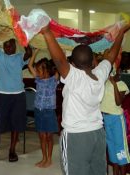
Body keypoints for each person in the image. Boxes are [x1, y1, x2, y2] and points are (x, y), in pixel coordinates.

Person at [40, 22, 130, 175]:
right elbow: (111, 55)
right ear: (92, 61)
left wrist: (48, 33)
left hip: (76, 137)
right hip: (97, 134)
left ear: (73, 64)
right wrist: (121, 33)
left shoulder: (74, 77)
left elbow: (60, 60)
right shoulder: (100, 74)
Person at [0, 25, 32, 161]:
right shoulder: (0, 55)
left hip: (18, 95)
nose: (8, 48)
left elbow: (29, 52)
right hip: (1, 94)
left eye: (10, 45)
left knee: (16, 124)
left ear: (15, 45)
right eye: (6, 46)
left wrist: (22, 35)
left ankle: (12, 150)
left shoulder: (19, 57)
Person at [28, 49, 59, 168]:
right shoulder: (38, 79)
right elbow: (30, 65)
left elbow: (59, 64)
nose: (37, 71)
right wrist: (35, 52)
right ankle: (44, 158)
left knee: (49, 136)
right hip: (39, 111)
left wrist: (53, 52)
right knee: (41, 136)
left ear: (46, 70)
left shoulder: (54, 79)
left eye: (39, 70)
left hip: (49, 112)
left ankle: (49, 159)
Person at [101, 70, 130, 175]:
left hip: (117, 119)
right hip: (106, 118)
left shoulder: (121, 84)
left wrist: (114, 84)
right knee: (112, 148)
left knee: (120, 149)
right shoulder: (104, 82)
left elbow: (118, 102)